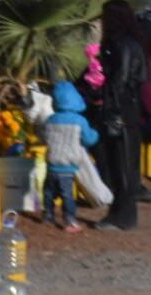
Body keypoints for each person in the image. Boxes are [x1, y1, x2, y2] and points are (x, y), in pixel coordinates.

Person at [96, 0, 146, 231]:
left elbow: (120, 80)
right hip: (128, 109)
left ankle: (124, 215)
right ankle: (120, 212)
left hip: (121, 109)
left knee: (122, 162)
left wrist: (109, 106)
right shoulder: (132, 43)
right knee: (123, 162)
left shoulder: (122, 45)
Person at [40, 81, 101, 233]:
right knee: (67, 196)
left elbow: (43, 136)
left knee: (48, 192)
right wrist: (96, 134)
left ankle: (48, 216)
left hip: (52, 164)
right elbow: (89, 139)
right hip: (67, 166)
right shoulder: (80, 121)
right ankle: (70, 220)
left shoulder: (50, 119)